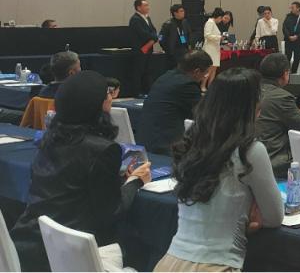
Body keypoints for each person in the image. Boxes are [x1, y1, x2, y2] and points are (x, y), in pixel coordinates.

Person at [10, 71, 152, 271]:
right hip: (72, 255)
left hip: (28, 244)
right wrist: (136, 181)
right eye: (107, 93)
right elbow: (112, 211)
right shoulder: (103, 150)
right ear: (97, 105)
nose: (111, 97)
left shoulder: (50, 139)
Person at [155, 68, 284, 272]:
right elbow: (274, 217)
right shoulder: (250, 150)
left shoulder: (192, 139)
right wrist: (247, 216)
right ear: (251, 106)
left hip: (170, 263)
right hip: (216, 265)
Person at [255, 53, 300, 177]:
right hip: (276, 161)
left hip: (253, 158)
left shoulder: (253, 91)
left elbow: (272, 116)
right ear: (285, 74)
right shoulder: (282, 97)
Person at [137, 51, 211, 155]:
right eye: (206, 73)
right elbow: (202, 114)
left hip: (145, 138)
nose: (205, 77)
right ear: (197, 71)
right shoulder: (188, 85)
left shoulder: (166, 76)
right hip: (165, 145)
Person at [129, 0, 160, 96]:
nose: (148, 7)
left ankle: (147, 90)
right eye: (145, 5)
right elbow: (143, 34)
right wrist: (155, 38)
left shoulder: (147, 18)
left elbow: (153, 30)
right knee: (138, 71)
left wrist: (155, 37)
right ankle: (137, 92)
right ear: (138, 7)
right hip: (140, 49)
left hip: (149, 49)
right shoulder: (135, 19)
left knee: (148, 71)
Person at [282, 2, 300, 74]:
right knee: (287, 57)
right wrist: (288, 36)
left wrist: (297, 36)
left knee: (297, 58)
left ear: (298, 8)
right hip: (289, 40)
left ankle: (294, 72)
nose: (291, 9)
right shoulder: (289, 16)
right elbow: (284, 27)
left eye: (293, 8)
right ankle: (286, 73)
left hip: (299, 41)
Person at [160, 4, 192, 69]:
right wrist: (167, 50)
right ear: (175, 13)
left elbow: (189, 34)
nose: (183, 12)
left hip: (184, 50)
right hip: (173, 52)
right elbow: (161, 38)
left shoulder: (185, 22)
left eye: (183, 11)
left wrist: (189, 45)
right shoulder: (168, 24)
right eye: (181, 11)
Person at [202, 8, 227, 90]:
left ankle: (210, 86)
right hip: (210, 49)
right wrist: (219, 37)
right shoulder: (209, 22)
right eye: (221, 18)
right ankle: (203, 86)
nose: (221, 20)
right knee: (209, 69)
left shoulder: (213, 23)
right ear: (219, 17)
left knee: (214, 69)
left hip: (215, 49)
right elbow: (207, 35)